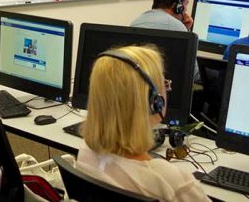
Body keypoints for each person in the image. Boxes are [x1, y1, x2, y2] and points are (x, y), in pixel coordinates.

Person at [77, 45, 210, 201]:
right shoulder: (171, 181)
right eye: (164, 83)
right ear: (155, 102)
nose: (166, 89)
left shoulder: (85, 153)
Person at [131, 0, 200, 82]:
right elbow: (194, 75)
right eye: (186, 4)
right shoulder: (176, 27)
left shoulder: (136, 22)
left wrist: (185, 31)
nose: (186, 10)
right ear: (177, 7)